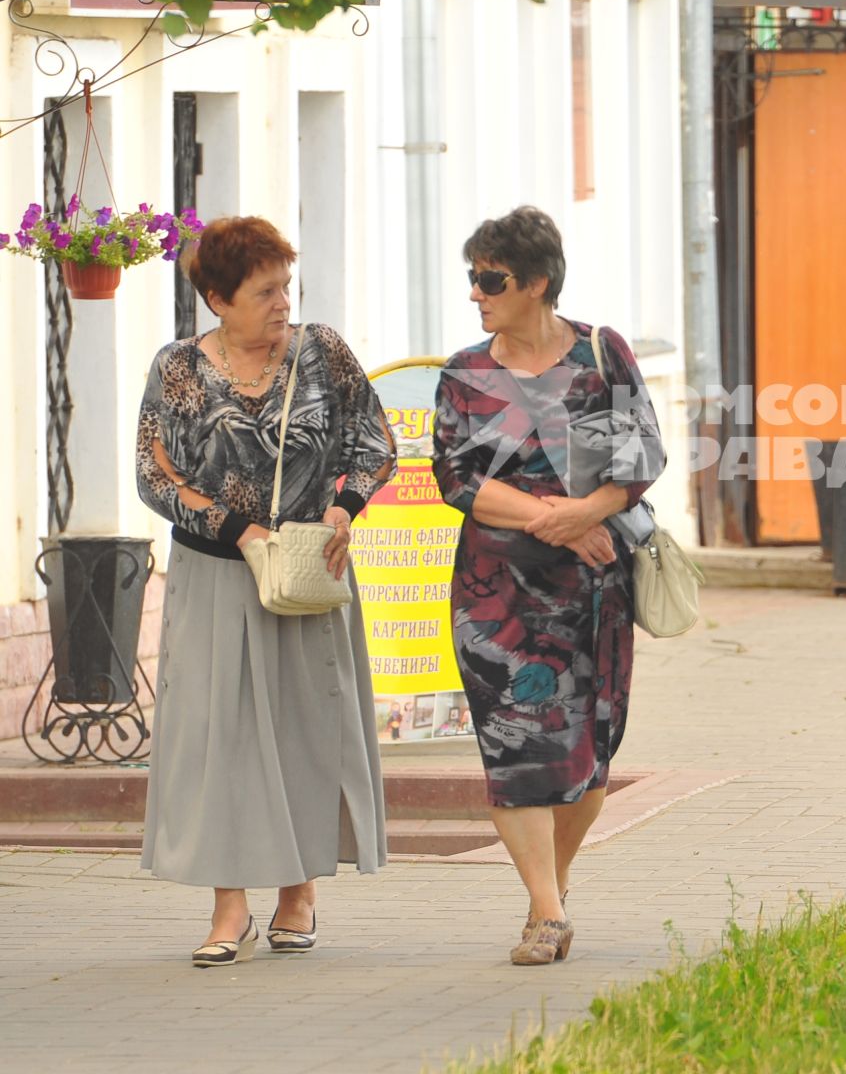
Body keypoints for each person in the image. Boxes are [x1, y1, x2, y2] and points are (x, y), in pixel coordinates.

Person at [136, 216, 396, 966]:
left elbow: (373, 441)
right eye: (264, 291)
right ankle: (227, 907)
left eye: (287, 286)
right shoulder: (179, 367)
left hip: (309, 572)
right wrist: (236, 530)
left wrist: (346, 503)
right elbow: (154, 474)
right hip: (219, 574)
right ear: (218, 298)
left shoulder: (323, 352)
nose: (283, 303)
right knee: (219, 738)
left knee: (305, 733)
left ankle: (298, 894)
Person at [432, 205, 664, 967]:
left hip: (594, 587)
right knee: (515, 746)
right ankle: (545, 911)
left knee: (589, 751)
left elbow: (644, 451)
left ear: (537, 282)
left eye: (490, 277)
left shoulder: (602, 354)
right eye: (471, 277)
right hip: (496, 595)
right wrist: (550, 518)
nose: (476, 292)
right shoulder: (465, 373)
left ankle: (550, 894)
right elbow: (456, 480)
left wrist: (591, 511)